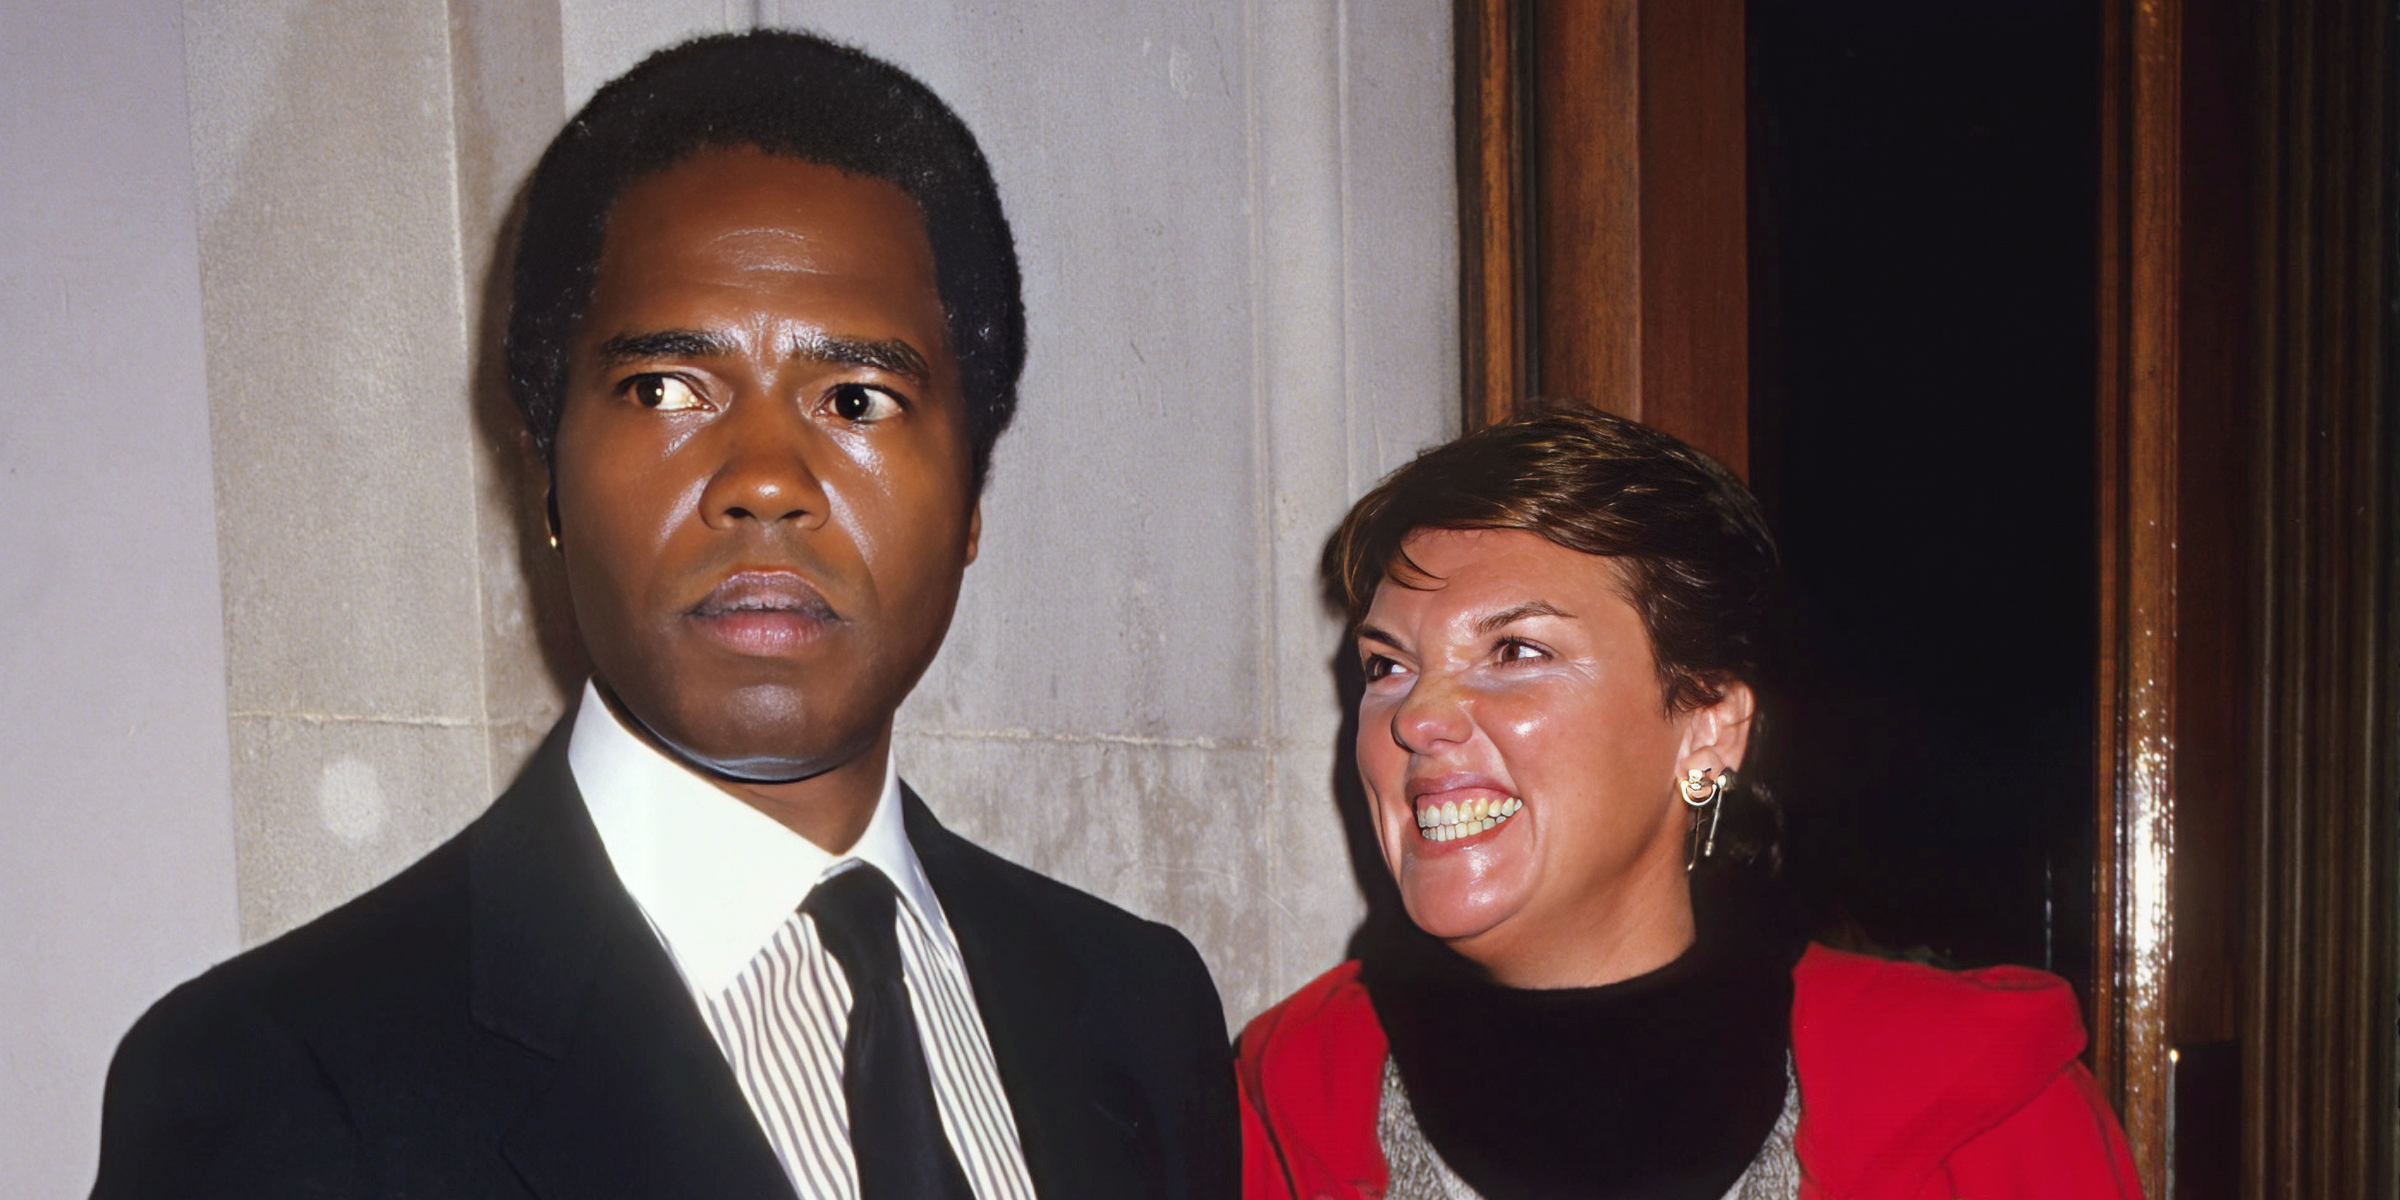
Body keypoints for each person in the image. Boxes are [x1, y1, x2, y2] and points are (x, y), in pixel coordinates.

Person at [92, 30, 1236, 1200]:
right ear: (544, 472)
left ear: (973, 497)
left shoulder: (1141, 1010)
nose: (766, 477)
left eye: (858, 397)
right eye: (667, 389)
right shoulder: (275, 1080)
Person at [1236, 406, 2140, 1199]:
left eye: (1515, 651)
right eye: (1388, 667)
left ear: (1707, 729)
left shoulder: (1986, 1110)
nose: (1417, 718)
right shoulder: (1278, 1105)